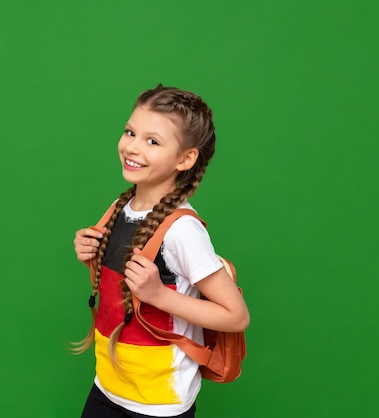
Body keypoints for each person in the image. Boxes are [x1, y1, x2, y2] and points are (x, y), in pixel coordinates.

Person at [72, 84, 250, 418]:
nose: (133, 147)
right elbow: (117, 292)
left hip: (159, 404)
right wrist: (91, 258)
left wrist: (160, 295)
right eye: (130, 132)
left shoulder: (182, 230)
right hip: (109, 387)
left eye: (152, 141)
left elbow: (236, 316)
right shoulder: (119, 208)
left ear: (185, 159)